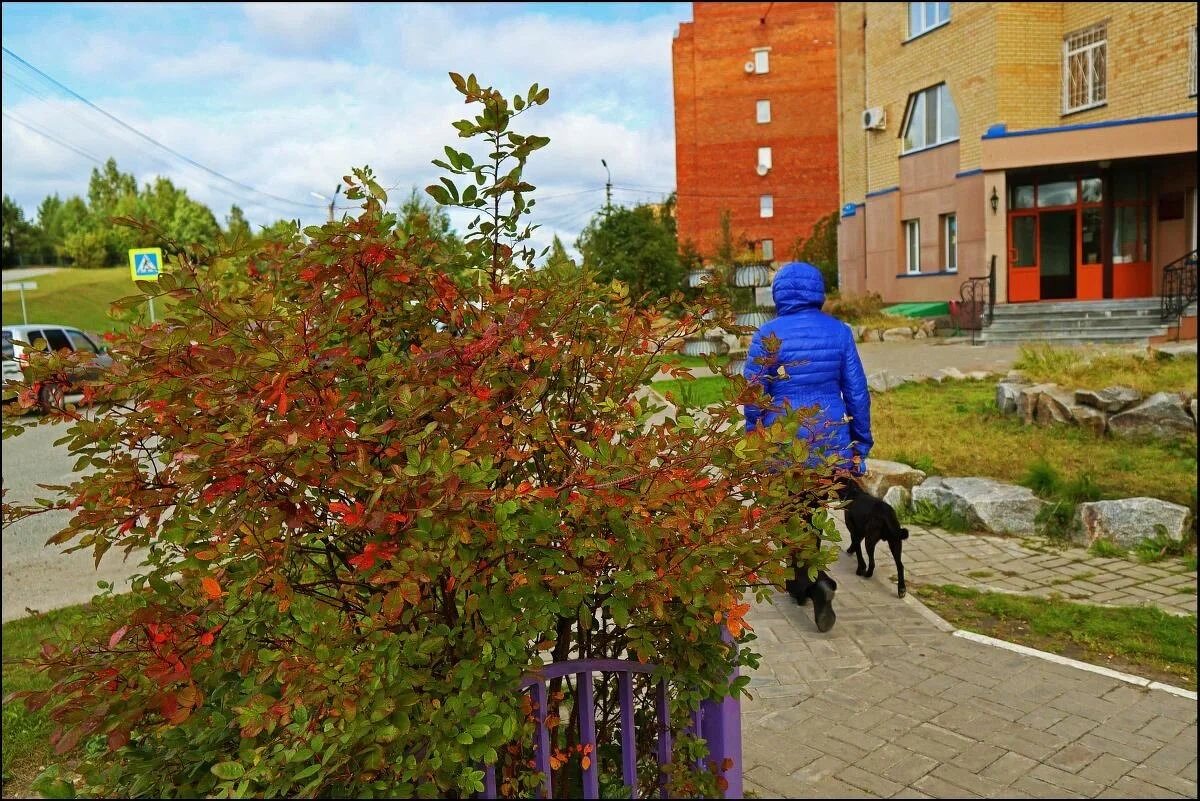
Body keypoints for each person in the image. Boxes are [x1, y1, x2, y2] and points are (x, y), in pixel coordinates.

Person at [742, 261, 873, 633]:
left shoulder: (768, 334)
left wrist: (754, 434)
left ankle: (811, 584)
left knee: (787, 514)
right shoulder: (840, 333)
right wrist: (860, 443)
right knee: (813, 510)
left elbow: (754, 396)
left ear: (780, 292)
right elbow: (858, 394)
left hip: (782, 442)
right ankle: (804, 584)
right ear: (818, 290)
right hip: (828, 441)